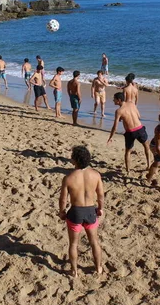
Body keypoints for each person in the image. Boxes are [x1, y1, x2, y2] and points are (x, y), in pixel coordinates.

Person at [58, 146, 104, 277]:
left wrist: (62, 212)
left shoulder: (68, 178)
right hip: (90, 211)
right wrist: (100, 208)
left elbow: (63, 199)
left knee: (73, 243)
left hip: (75, 212)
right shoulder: (95, 175)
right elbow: (100, 195)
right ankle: (98, 268)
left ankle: (74, 271)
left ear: (75, 160)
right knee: (94, 241)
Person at [107, 92, 150, 173]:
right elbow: (139, 116)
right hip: (140, 128)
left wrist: (110, 137)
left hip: (130, 132)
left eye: (114, 99)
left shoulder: (119, 111)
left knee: (128, 151)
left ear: (119, 100)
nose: (113, 101)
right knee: (146, 146)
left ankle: (128, 170)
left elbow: (115, 127)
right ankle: (148, 165)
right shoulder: (132, 104)